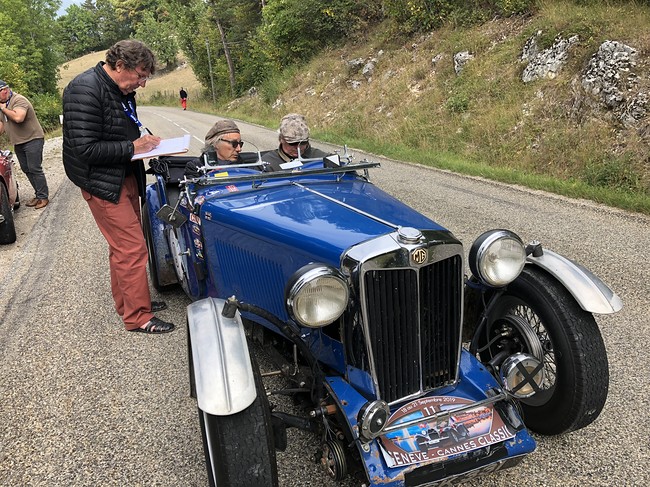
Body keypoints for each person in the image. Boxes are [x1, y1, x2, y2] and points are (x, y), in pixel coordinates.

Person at [62, 39, 174, 335]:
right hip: (101, 181)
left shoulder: (121, 88)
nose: (142, 83)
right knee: (132, 248)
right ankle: (138, 317)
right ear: (119, 65)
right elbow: (85, 149)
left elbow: (123, 129)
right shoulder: (83, 89)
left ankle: (132, 302)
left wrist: (144, 143)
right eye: (140, 75)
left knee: (124, 248)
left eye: (146, 76)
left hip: (124, 174)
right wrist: (131, 147)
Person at [0, 80, 50, 209]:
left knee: (34, 168)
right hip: (19, 142)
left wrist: (4, 109)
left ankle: (43, 197)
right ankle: (38, 194)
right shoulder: (2, 105)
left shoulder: (18, 100)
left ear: (4, 90)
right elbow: (2, 125)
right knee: (26, 169)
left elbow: (18, 118)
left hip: (32, 139)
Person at [261, 113, 329, 171]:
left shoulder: (322, 158)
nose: (298, 148)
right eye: (293, 143)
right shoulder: (266, 163)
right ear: (281, 139)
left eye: (303, 143)